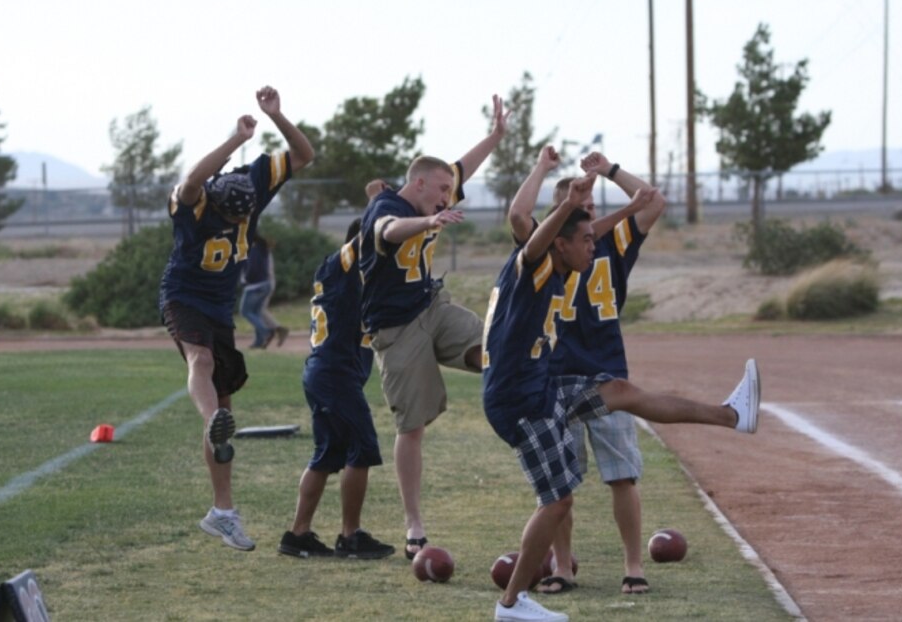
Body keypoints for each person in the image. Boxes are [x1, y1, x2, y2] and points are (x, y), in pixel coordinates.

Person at [482, 146, 759, 622]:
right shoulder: (536, 264)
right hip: (521, 400)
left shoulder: (563, 261)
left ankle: (731, 415)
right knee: (557, 499)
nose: (595, 243)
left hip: (543, 387)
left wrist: (616, 209)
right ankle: (512, 604)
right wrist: (560, 191)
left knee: (622, 394)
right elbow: (523, 218)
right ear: (562, 241)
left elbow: (581, 233)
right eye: (586, 238)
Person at [159, 86, 314, 552]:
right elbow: (189, 181)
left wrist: (277, 116)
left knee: (224, 404)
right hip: (184, 296)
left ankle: (222, 512)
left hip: (220, 306)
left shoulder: (252, 185)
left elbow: (303, 154)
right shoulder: (197, 200)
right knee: (201, 363)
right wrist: (233, 138)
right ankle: (212, 422)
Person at [358, 94, 511, 559]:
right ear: (419, 183)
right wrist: (428, 220)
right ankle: (414, 524)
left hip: (433, 307)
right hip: (395, 329)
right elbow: (387, 231)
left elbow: (463, 166)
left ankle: (537, 404)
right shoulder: (387, 206)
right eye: (441, 188)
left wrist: (496, 136)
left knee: (497, 351)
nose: (449, 195)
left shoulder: (436, 190)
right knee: (413, 426)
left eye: (449, 190)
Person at [539, 152, 667, 597]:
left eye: (592, 210)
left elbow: (652, 202)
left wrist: (610, 171)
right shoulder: (545, 253)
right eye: (578, 213)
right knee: (559, 484)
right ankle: (562, 566)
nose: (589, 221)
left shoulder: (614, 244)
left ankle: (633, 565)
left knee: (622, 475)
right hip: (554, 378)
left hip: (607, 371)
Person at [278, 182, 395, 561]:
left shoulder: (365, 285)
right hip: (334, 374)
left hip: (330, 373)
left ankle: (298, 535)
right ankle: (351, 536)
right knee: (362, 449)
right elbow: (365, 243)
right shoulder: (340, 267)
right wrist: (379, 203)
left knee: (328, 454)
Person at [239, 229, 287, 349]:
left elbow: (252, 269)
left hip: (255, 285)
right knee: (256, 312)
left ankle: (267, 332)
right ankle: (259, 341)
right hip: (265, 283)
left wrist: (245, 279)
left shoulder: (253, 249)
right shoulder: (261, 247)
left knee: (245, 311)